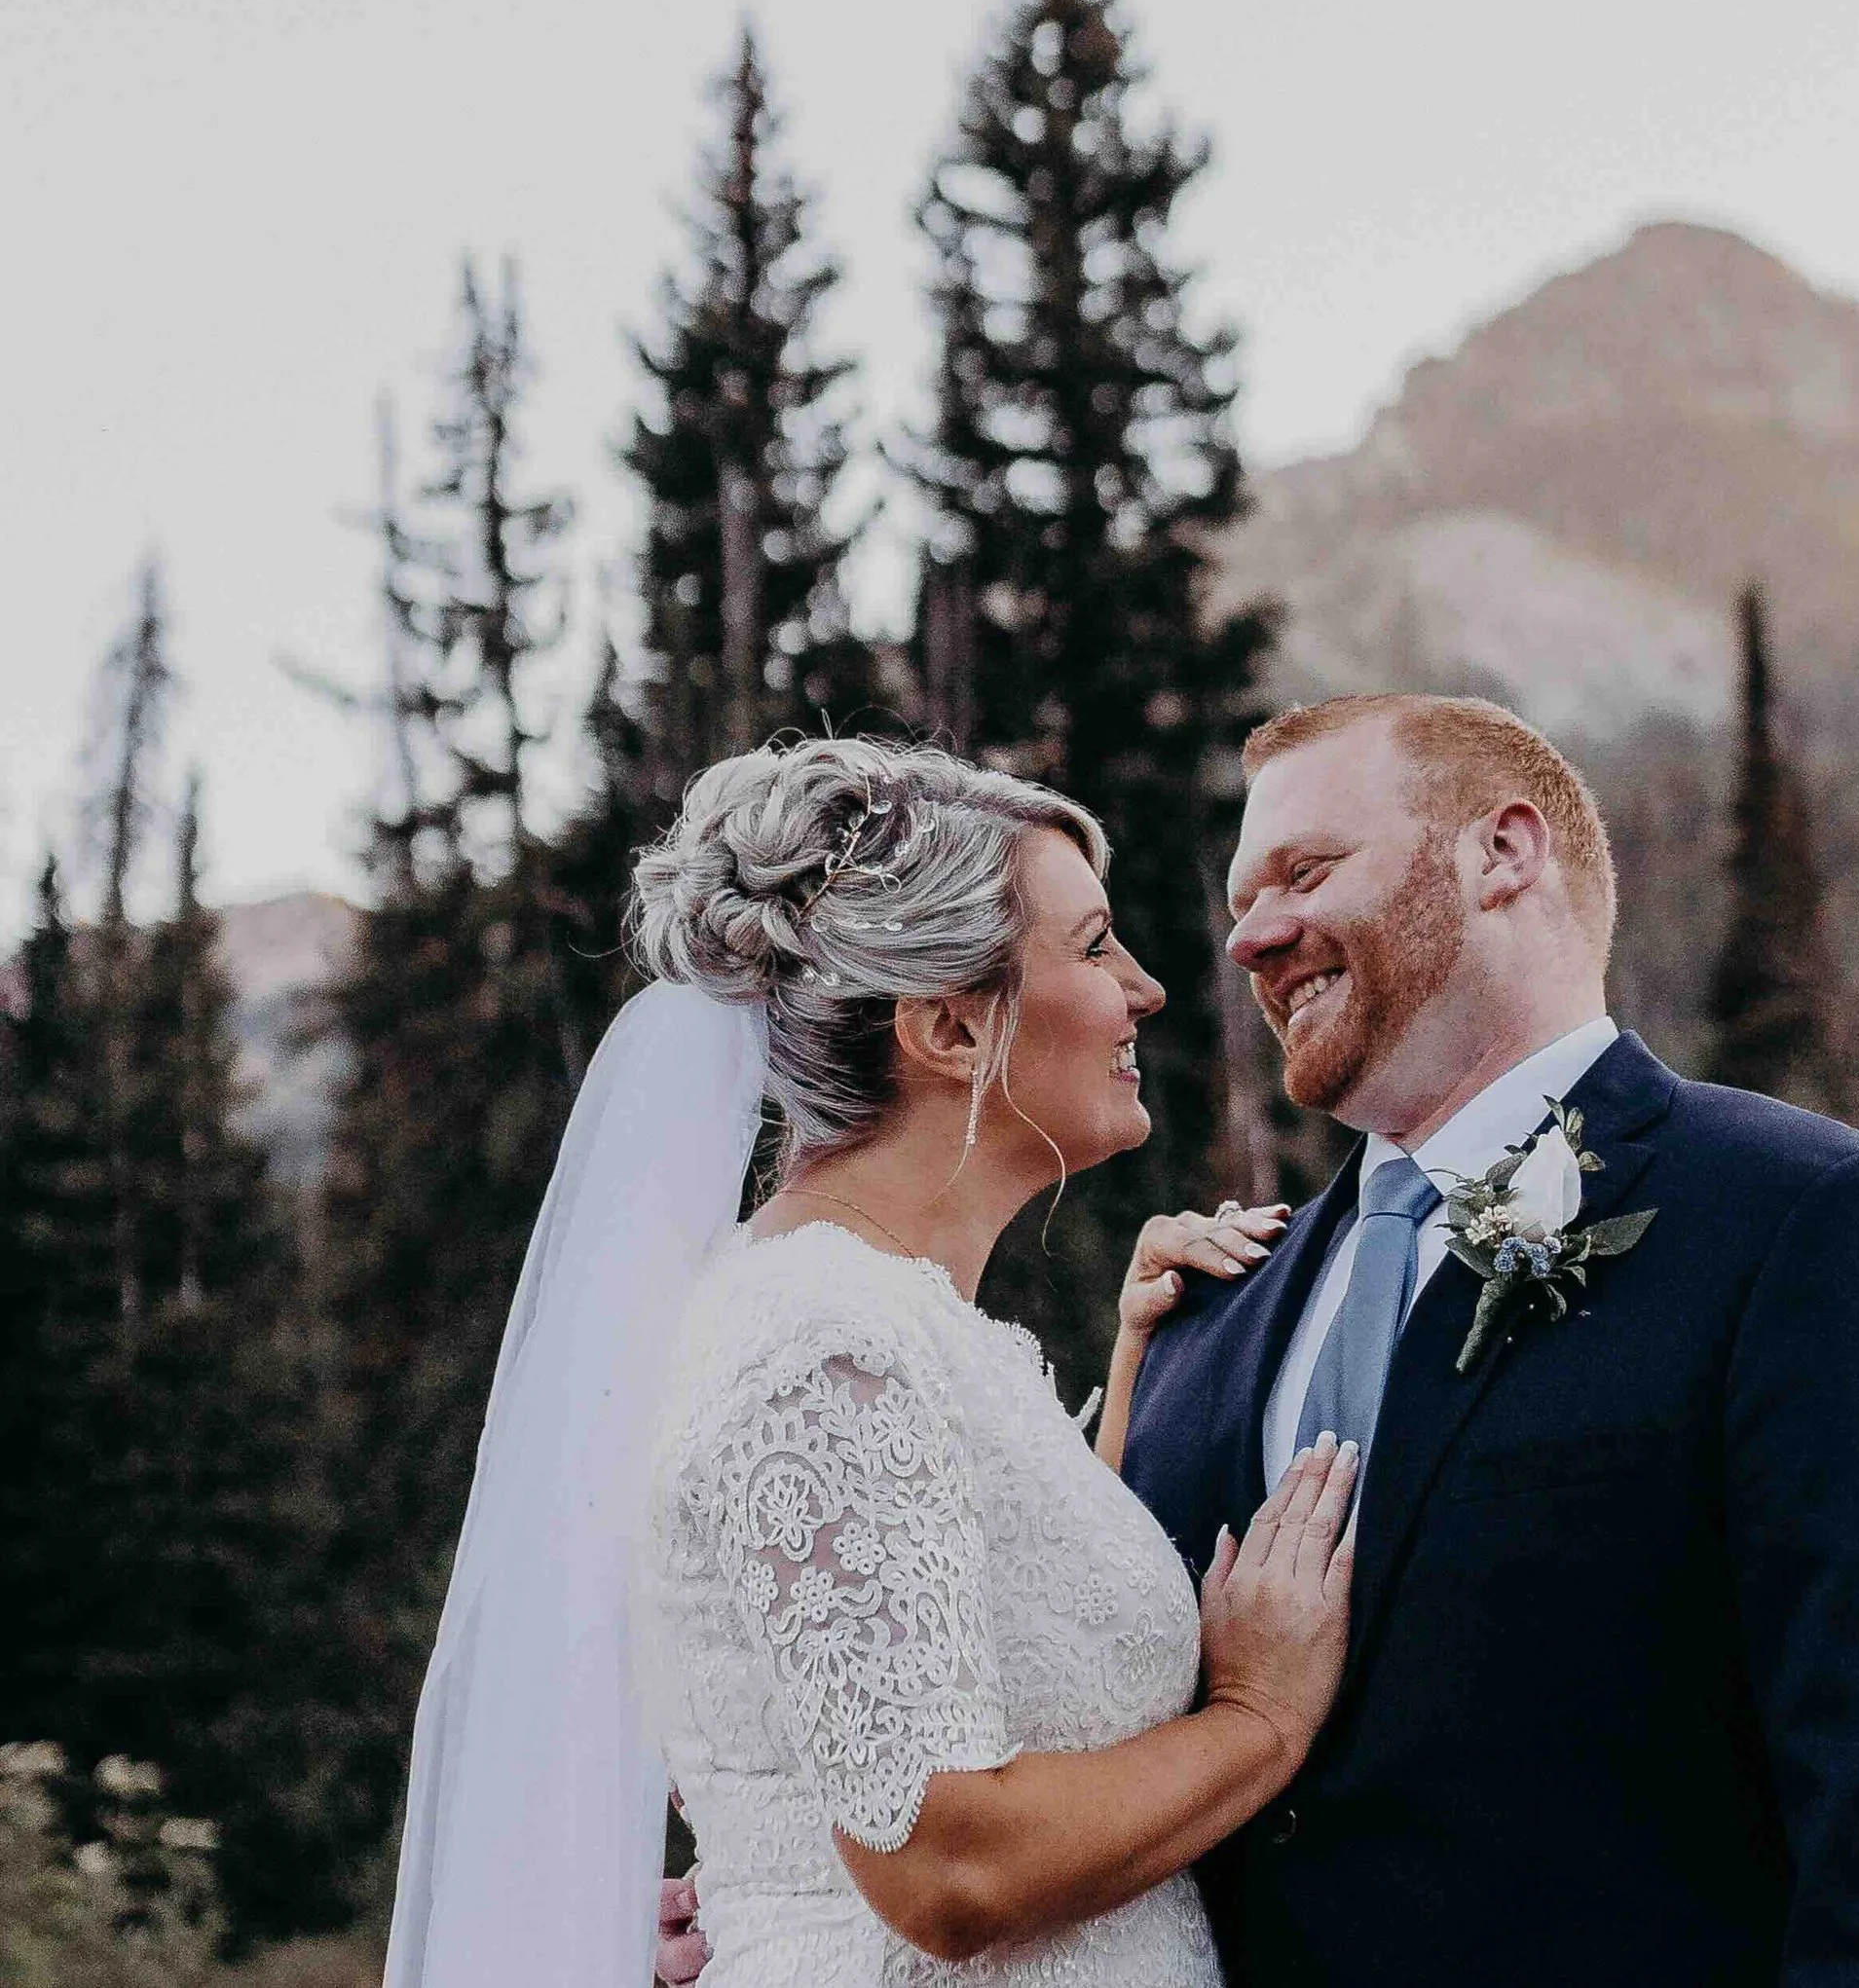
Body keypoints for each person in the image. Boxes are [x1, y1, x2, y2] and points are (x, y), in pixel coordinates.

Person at [1117, 692, 1859, 1988]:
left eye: (1306, 870)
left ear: (1502, 852)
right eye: (1239, 900)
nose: (1253, 936)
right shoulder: (1204, 1316)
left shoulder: (1802, 1224)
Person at [390, 733, 1353, 1988]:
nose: (1145, 988)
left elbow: (1009, 1649)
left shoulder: (903, 1328)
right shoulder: (820, 1348)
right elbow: (947, 1867)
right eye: (1094, 943)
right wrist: (1263, 1719)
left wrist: (1136, 1369)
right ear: (950, 1029)